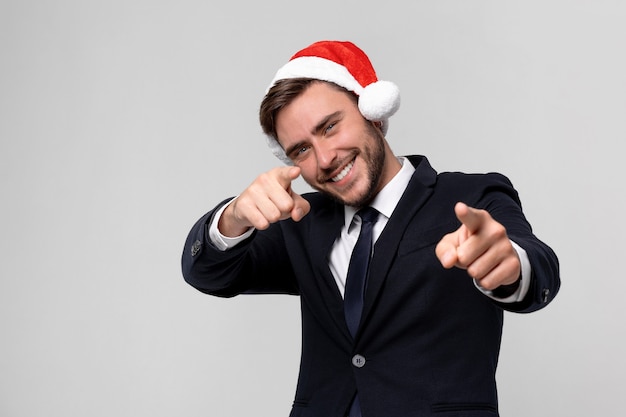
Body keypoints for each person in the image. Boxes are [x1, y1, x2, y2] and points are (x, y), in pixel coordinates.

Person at [181, 40, 560, 417]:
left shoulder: (470, 195)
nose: (325, 159)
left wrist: (508, 264)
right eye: (301, 150)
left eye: (330, 127)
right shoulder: (300, 220)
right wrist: (234, 217)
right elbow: (208, 274)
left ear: (373, 114)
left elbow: (537, 267)